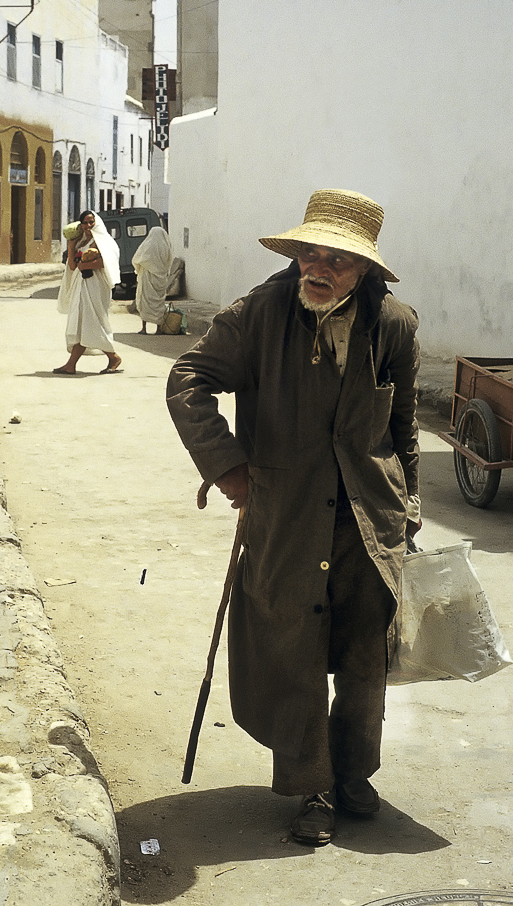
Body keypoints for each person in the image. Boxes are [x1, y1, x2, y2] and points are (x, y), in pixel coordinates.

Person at [166, 189, 421, 846]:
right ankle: (311, 784)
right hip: (285, 515)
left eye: (337, 257)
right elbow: (188, 378)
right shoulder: (257, 313)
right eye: (311, 251)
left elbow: (402, 427)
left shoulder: (393, 324)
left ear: (363, 268)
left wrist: (408, 507)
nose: (319, 265)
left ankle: (354, 772)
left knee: (366, 657)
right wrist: (226, 466)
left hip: (368, 518)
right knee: (294, 651)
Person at [54, 210, 123, 375]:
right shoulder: (82, 242)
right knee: (81, 323)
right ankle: (71, 365)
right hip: (81, 286)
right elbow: (72, 266)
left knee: (91, 321)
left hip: (96, 287)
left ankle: (113, 357)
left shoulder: (105, 241)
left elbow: (107, 263)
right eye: (84, 222)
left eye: (91, 222)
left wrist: (85, 266)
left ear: (96, 222)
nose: (88, 226)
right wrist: (71, 246)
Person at [132, 225, 172, 334]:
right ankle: (158, 329)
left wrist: (141, 268)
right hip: (161, 279)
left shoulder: (147, 245)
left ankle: (144, 328)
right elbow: (169, 262)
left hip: (147, 278)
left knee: (145, 302)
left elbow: (136, 258)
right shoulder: (166, 246)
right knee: (158, 303)